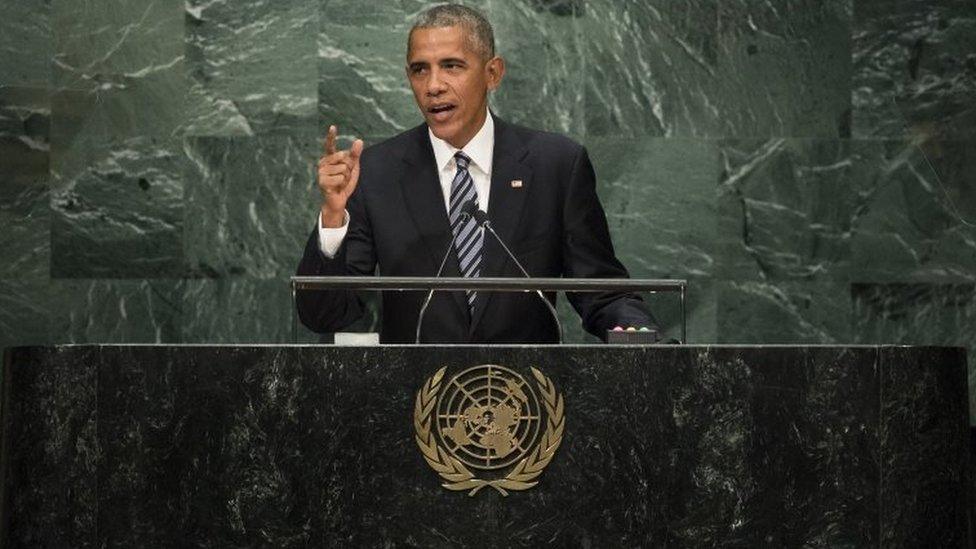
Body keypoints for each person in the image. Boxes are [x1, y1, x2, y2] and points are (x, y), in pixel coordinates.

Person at [296, 4, 657, 343]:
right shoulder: (376, 173)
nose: (433, 85)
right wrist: (332, 219)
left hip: (527, 397)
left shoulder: (556, 165)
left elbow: (602, 290)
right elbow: (325, 315)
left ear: (492, 73)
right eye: (420, 69)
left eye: (451, 66)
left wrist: (642, 337)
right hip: (417, 397)